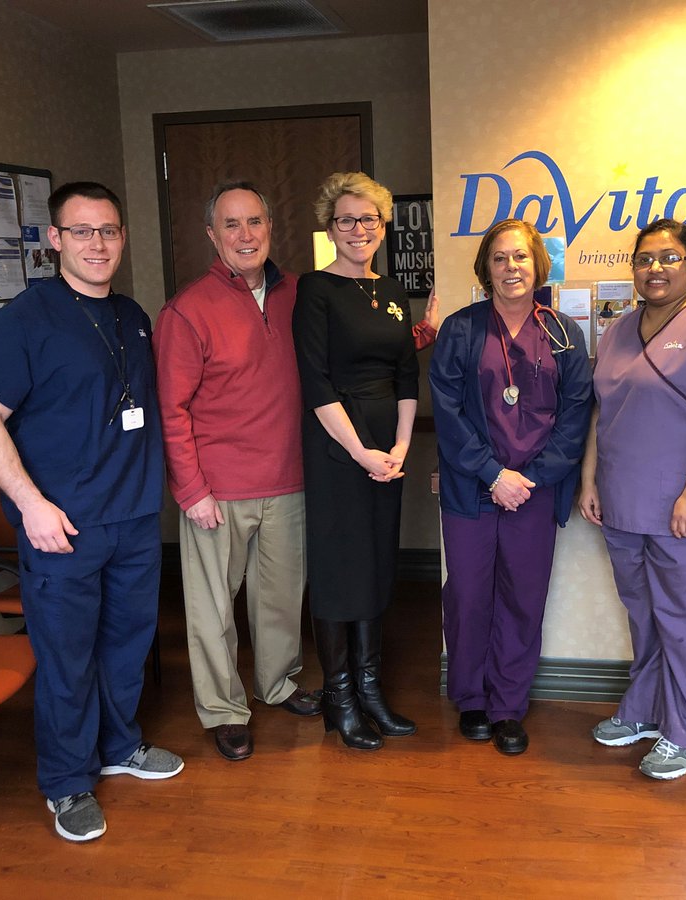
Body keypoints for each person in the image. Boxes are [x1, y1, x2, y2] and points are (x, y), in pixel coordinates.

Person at [0, 182, 183, 843]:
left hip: (132, 518)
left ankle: (119, 745)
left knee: (126, 644)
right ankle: (66, 781)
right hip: (62, 525)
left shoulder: (131, 315)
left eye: (108, 230)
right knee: (67, 658)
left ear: (122, 237)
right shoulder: (25, 320)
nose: (97, 244)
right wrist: (31, 506)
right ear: (55, 239)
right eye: (82, 231)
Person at [577, 217, 686, 781]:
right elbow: (602, 411)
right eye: (645, 259)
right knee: (647, 617)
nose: (655, 268)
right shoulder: (618, 331)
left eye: (669, 257)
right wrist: (590, 481)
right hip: (626, 505)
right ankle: (646, 710)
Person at [153, 181, 322, 764]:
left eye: (255, 222)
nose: (245, 235)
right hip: (216, 490)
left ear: (270, 228)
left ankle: (276, 684)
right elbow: (171, 410)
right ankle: (225, 710)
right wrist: (191, 490)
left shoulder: (298, 293)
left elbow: (352, 349)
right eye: (231, 224)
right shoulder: (186, 311)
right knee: (212, 610)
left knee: (280, 599)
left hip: (289, 478)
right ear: (212, 234)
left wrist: (421, 332)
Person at [429, 218, 592, 756]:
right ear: (486, 269)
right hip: (472, 488)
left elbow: (575, 415)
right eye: (499, 258)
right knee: (468, 594)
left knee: (523, 597)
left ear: (538, 265)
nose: (511, 267)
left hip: (534, 492)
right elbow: (447, 412)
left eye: (520, 256)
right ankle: (472, 698)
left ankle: (507, 706)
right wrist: (493, 474)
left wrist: (533, 478)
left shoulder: (565, 334)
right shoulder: (460, 329)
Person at [292, 171, 419, 751]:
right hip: (337, 445)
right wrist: (360, 451)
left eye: (369, 219)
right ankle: (339, 698)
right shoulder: (315, 289)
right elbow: (315, 382)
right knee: (339, 567)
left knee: (375, 563)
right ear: (330, 228)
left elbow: (407, 376)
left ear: (383, 226)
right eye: (346, 220)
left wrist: (400, 447)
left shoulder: (392, 291)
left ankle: (370, 690)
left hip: (387, 448)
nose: (358, 229)